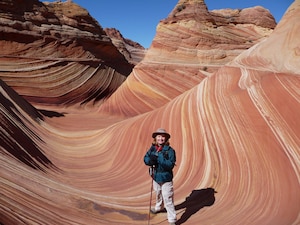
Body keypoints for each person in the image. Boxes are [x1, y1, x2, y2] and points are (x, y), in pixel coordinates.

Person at [144, 128, 177, 225]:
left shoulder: (170, 151)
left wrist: (158, 158)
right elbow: (146, 158)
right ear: (155, 138)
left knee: (168, 198)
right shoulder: (153, 148)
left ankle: (172, 220)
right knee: (158, 192)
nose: (160, 139)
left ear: (166, 138)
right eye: (159, 136)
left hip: (166, 178)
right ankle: (159, 207)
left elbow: (170, 164)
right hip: (155, 176)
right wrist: (150, 160)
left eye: (163, 137)